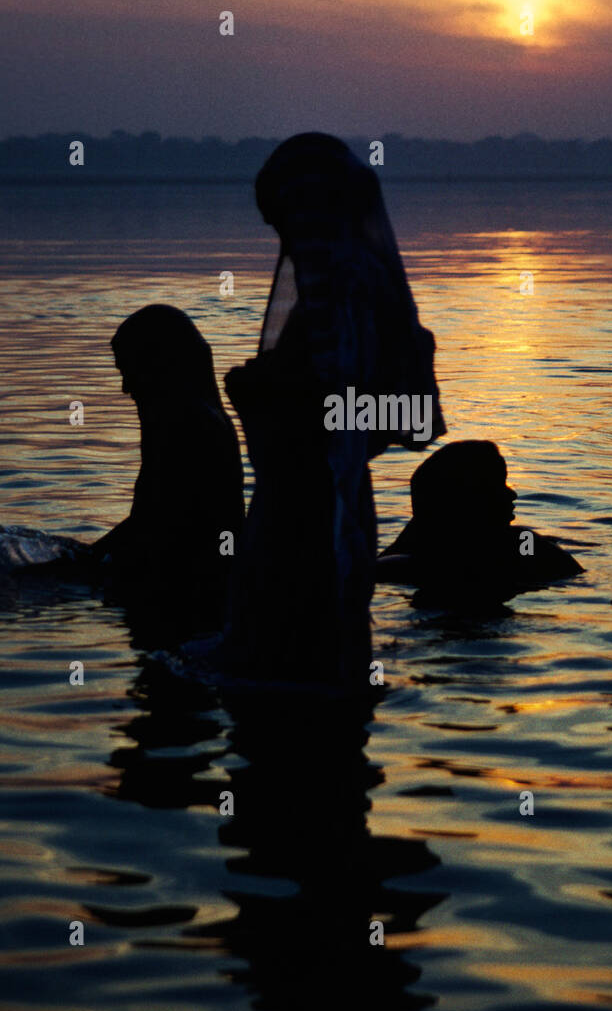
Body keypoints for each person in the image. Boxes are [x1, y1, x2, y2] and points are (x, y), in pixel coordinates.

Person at [223, 132, 444, 690]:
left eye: (285, 220)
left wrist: (262, 392)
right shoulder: (362, 283)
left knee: (293, 681)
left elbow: (361, 412)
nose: (285, 239)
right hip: (322, 504)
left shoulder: (344, 287)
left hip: (313, 512)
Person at [90, 304, 245, 633]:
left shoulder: (190, 424)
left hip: (188, 604)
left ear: (157, 364)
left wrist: (85, 563)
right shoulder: (191, 417)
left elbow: (162, 525)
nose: (125, 388)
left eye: (128, 371)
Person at [377, 440, 582, 607]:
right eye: (498, 484)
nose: (512, 493)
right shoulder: (524, 546)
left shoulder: (402, 564)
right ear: (470, 498)